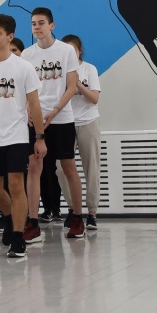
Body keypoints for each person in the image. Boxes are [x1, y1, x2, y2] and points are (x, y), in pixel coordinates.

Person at [0, 13, 47, 259]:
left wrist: (39, 137)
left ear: (10, 36)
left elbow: (34, 104)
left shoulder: (23, 67)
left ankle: (17, 237)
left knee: (16, 185)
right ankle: (12, 217)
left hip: (17, 136)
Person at [21, 7, 85, 241]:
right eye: (33, 24)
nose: (37, 27)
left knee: (68, 166)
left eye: (41, 23)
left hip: (62, 118)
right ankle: (33, 221)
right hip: (36, 119)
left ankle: (77, 217)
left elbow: (71, 86)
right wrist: (30, 111)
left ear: (52, 26)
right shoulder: (27, 55)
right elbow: (24, 89)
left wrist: (55, 111)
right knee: (34, 167)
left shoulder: (66, 51)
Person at [57, 35, 101, 232]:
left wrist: (78, 85)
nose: (70, 54)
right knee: (61, 169)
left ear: (79, 51)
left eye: (73, 50)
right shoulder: (58, 71)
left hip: (88, 121)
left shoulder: (89, 69)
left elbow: (94, 98)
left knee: (91, 167)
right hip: (65, 122)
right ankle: (73, 209)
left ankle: (92, 212)